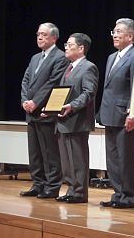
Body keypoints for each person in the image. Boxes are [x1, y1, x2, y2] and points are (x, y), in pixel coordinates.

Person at [96, 18, 134, 209]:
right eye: (114, 32)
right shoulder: (112, 57)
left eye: (119, 32)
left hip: (125, 116)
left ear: (130, 36)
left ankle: (129, 196)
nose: (115, 35)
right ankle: (118, 194)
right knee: (112, 158)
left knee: (125, 158)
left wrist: (133, 113)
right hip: (109, 115)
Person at [20, 22, 68, 198]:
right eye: (38, 34)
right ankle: (37, 183)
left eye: (44, 35)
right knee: (35, 152)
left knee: (50, 152)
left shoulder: (60, 57)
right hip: (31, 112)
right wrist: (25, 100)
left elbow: (53, 82)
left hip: (45, 111)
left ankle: (52, 185)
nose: (40, 37)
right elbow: (25, 80)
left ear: (54, 37)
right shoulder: (35, 58)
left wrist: (36, 102)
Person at [54, 33, 99, 203]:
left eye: (69, 44)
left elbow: (89, 93)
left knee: (78, 158)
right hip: (63, 120)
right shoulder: (68, 67)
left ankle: (80, 192)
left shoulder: (88, 67)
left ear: (81, 48)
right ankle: (72, 189)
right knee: (66, 160)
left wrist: (72, 106)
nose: (66, 46)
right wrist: (49, 109)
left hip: (77, 120)